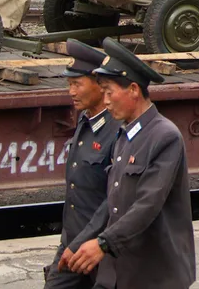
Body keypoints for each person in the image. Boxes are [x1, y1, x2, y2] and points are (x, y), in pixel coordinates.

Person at [65, 38, 195, 289]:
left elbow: (147, 204)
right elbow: (112, 202)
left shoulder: (165, 136)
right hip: (119, 270)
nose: (105, 101)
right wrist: (79, 243)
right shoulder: (125, 135)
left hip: (155, 274)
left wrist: (103, 244)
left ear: (133, 90)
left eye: (109, 92)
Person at [45, 39, 123, 289]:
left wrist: (88, 241)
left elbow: (114, 198)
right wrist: (70, 242)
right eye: (69, 85)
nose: (71, 92)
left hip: (100, 248)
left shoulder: (117, 130)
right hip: (72, 243)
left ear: (100, 86)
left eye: (77, 84)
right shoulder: (85, 120)